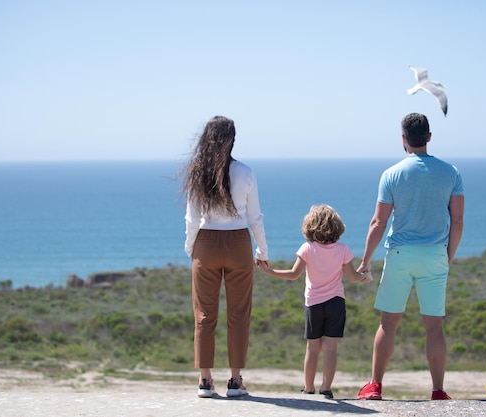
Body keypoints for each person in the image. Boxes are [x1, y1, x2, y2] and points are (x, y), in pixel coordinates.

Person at [356, 113, 464, 401]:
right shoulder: (451, 173)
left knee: (388, 323)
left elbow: (378, 223)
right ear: (429, 137)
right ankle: (438, 391)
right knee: (434, 326)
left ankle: (374, 386)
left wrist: (365, 260)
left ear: (403, 138)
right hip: (435, 255)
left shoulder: (391, 174)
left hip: (400, 254)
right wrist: (448, 256)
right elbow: (458, 221)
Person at [182, 115, 269, 398]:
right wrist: (262, 250)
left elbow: (192, 218)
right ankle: (235, 380)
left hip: (205, 243)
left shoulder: (197, 172)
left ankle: (205, 380)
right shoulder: (245, 172)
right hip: (238, 243)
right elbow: (255, 217)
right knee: (238, 314)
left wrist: (190, 247)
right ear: (232, 140)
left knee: (204, 315)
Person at [257, 204, 373, 399]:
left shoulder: (307, 248)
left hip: (314, 304)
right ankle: (326, 389)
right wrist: (364, 275)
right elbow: (353, 277)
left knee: (312, 348)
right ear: (336, 227)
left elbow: (294, 274)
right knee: (331, 348)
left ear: (310, 226)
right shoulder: (343, 249)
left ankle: (308, 389)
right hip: (336, 303)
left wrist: (270, 271)